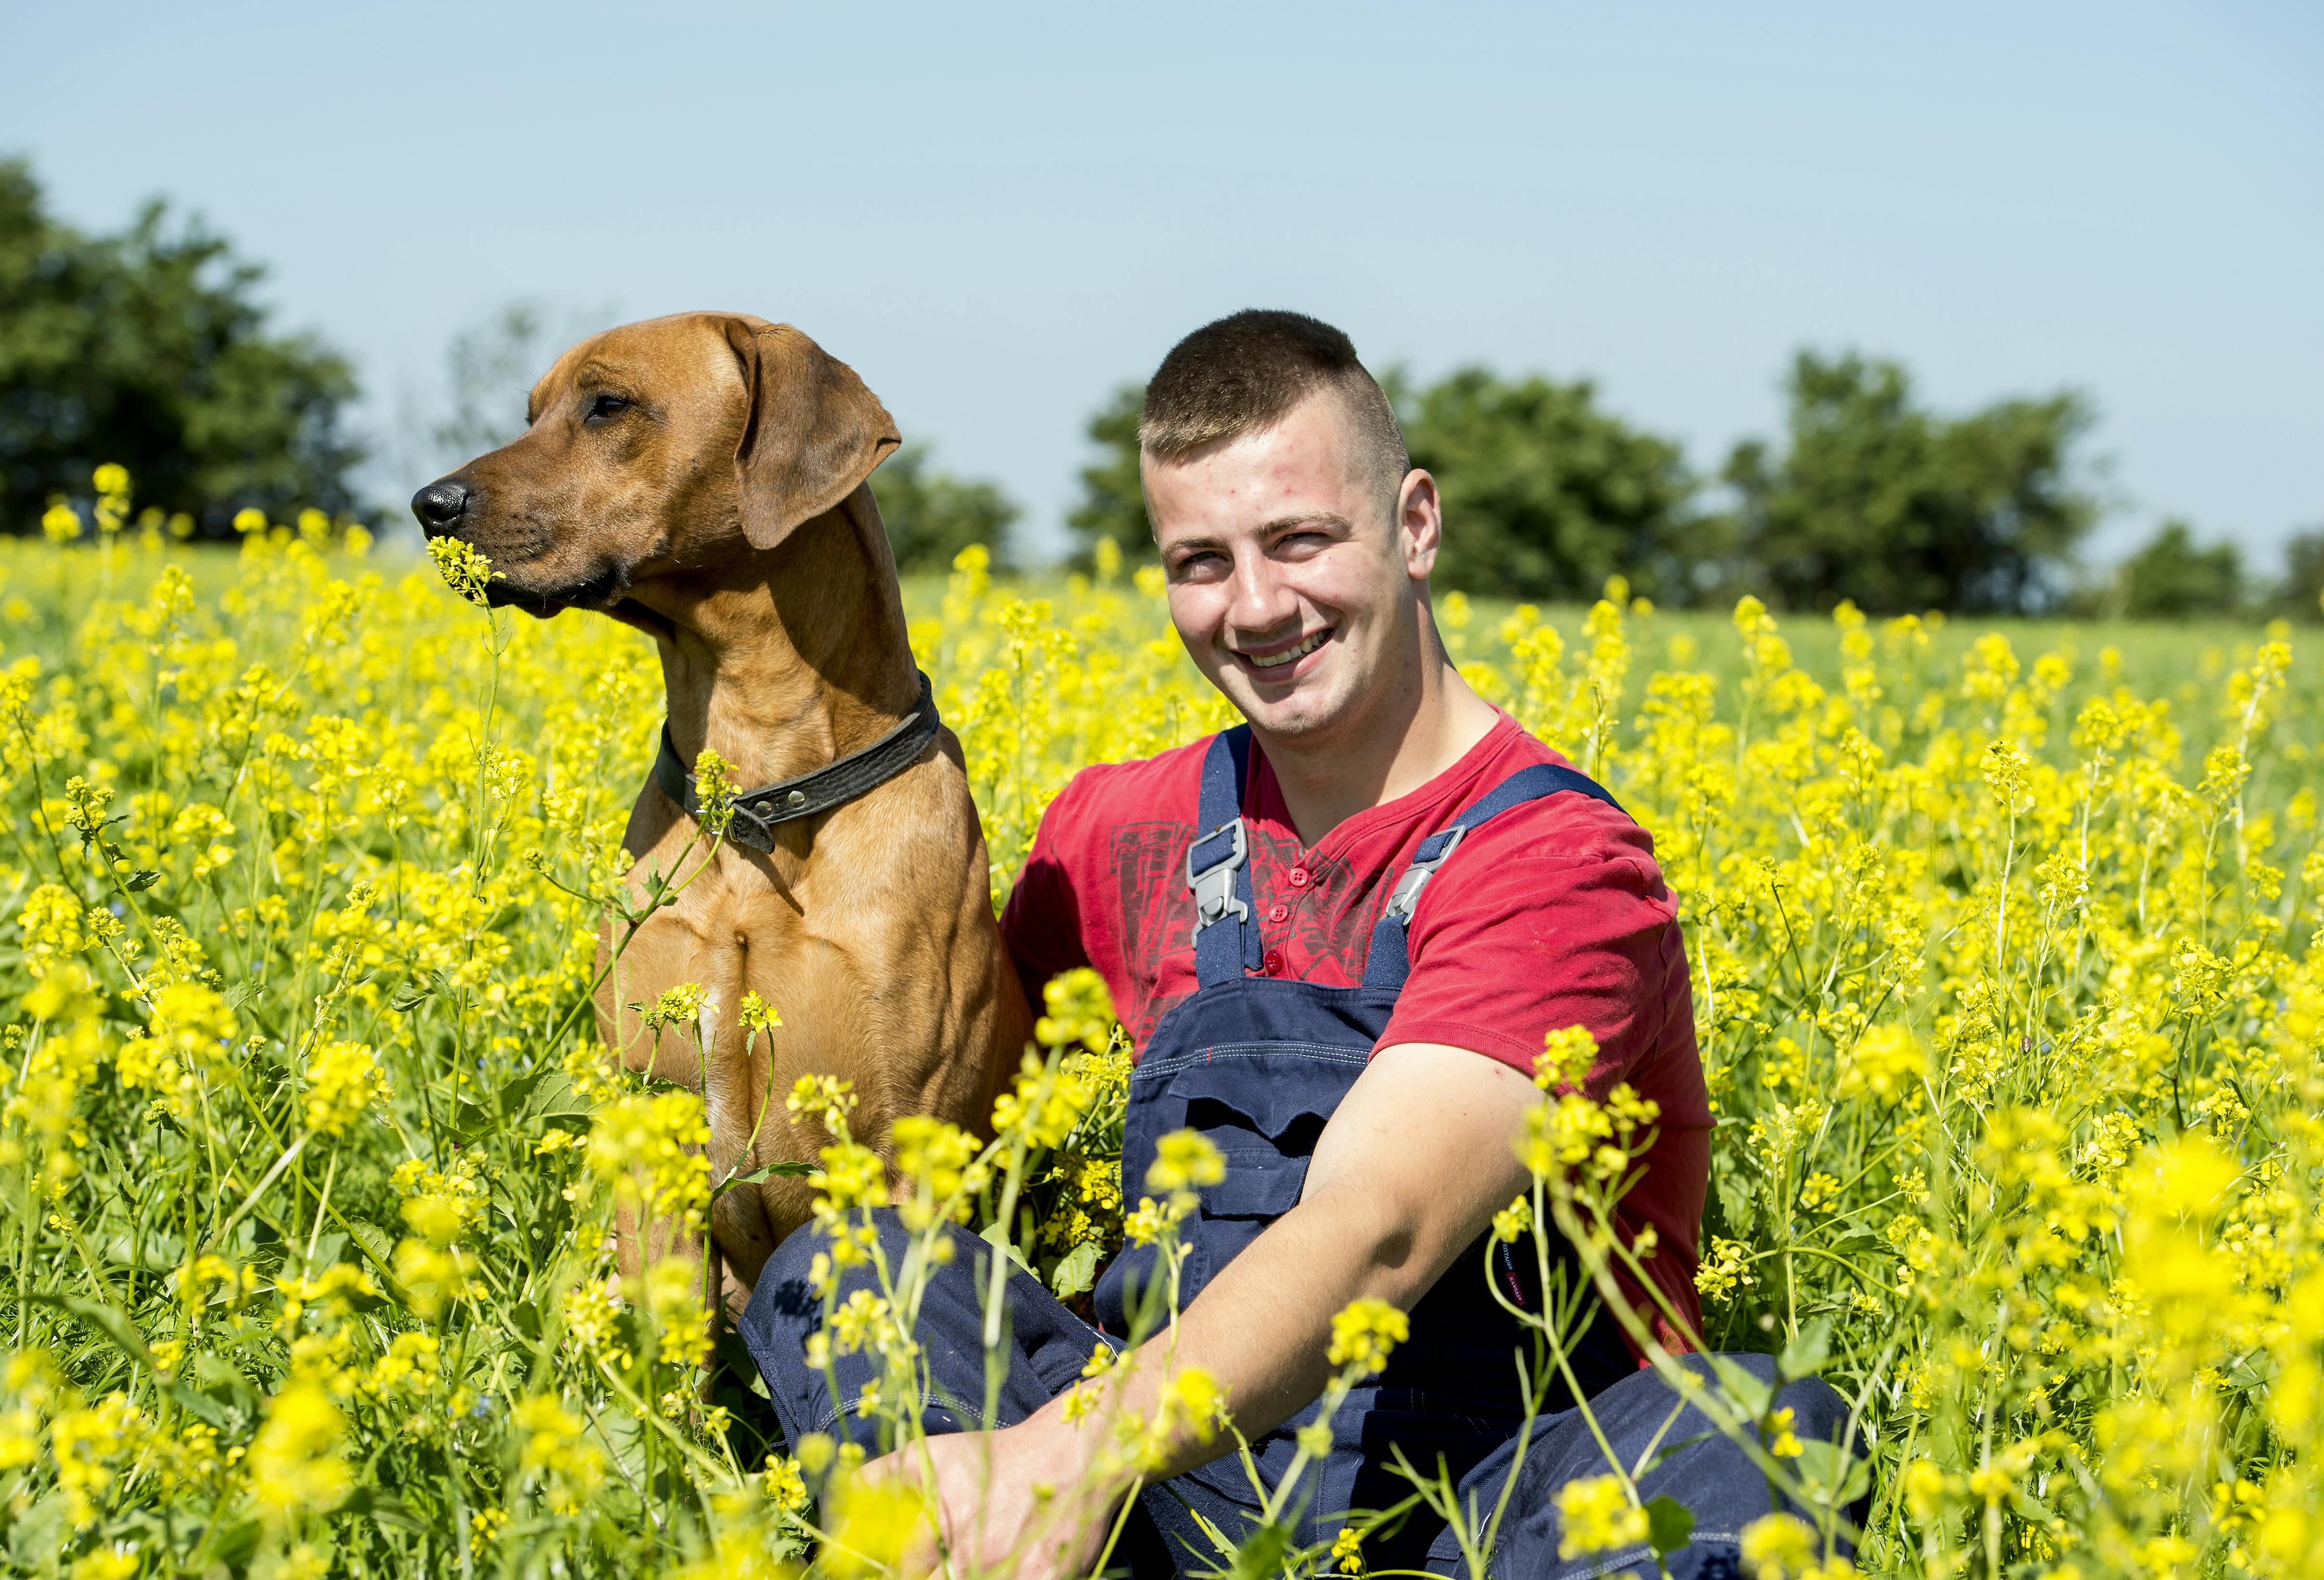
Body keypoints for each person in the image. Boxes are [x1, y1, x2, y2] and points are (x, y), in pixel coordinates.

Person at [741, 310, 1854, 1579]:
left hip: (1496, 1500)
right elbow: (944, 1124)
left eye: (1301, 540)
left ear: (1416, 524)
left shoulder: (1556, 863)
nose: (1257, 605)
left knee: (1754, 1432)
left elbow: (1381, 1223)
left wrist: (1070, 1457)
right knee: (849, 1269)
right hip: (1174, 1490)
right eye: (1200, 561)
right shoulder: (1112, 831)